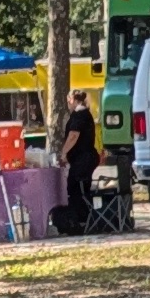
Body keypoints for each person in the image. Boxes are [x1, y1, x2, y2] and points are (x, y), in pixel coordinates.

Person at [55, 95, 102, 237]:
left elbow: (73, 135)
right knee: (81, 188)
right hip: (85, 157)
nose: (68, 104)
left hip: (84, 158)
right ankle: (84, 218)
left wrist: (64, 153)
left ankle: (80, 220)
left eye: (69, 100)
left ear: (74, 100)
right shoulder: (84, 114)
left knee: (75, 187)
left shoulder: (80, 115)